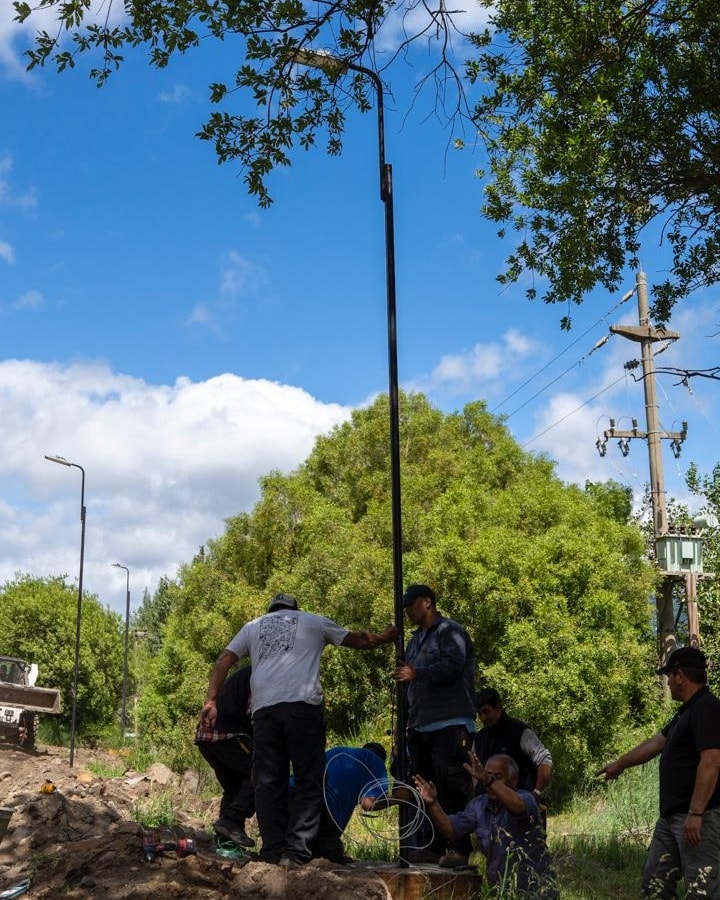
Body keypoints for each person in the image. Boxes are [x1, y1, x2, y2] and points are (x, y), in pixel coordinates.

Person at [200, 592, 397, 868]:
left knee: (268, 782)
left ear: (271, 611)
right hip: (302, 710)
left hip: (265, 712)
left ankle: (271, 852)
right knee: (308, 779)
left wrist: (211, 700)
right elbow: (360, 640)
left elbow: (225, 659)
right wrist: (386, 637)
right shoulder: (313, 621)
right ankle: (296, 853)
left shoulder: (253, 627)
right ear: (295, 609)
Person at [598, 646, 720, 900]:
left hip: (698, 818)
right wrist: (620, 764)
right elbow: (656, 743)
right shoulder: (684, 713)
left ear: (680, 675)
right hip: (671, 818)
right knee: (655, 882)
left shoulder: (707, 708)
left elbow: (711, 761)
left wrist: (696, 813)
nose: (667, 682)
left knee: (701, 889)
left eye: (668, 676)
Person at [394, 583, 476, 868]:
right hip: (420, 726)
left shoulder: (450, 631)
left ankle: (459, 848)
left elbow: (453, 664)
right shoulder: (414, 641)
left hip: (449, 724)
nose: (407, 610)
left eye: (411, 604)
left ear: (427, 602)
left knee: (452, 787)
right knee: (425, 789)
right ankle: (433, 847)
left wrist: (417, 672)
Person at [414, 753, 558, 898]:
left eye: (498, 777)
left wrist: (489, 780)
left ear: (513, 780)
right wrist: (432, 804)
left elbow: (518, 807)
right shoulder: (478, 805)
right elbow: (450, 830)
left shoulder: (527, 799)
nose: (487, 780)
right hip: (500, 892)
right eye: (487, 775)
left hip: (536, 891)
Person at [195, 664, 255, 848]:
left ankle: (224, 843)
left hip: (207, 738)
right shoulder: (261, 675)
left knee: (233, 788)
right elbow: (255, 714)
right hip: (227, 734)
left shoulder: (245, 674)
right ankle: (231, 820)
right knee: (262, 773)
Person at [309, 742, 393, 863]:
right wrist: (397, 798)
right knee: (330, 861)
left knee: (295, 853)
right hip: (323, 807)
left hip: (294, 795)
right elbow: (368, 804)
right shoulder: (376, 763)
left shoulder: (338, 751)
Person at [473, 688, 553, 801]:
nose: (482, 718)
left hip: (520, 801)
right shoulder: (479, 739)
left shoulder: (519, 731)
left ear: (498, 707)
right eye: (479, 713)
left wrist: (536, 793)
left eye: (486, 712)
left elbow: (544, 760)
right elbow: (475, 772)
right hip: (489, 805)